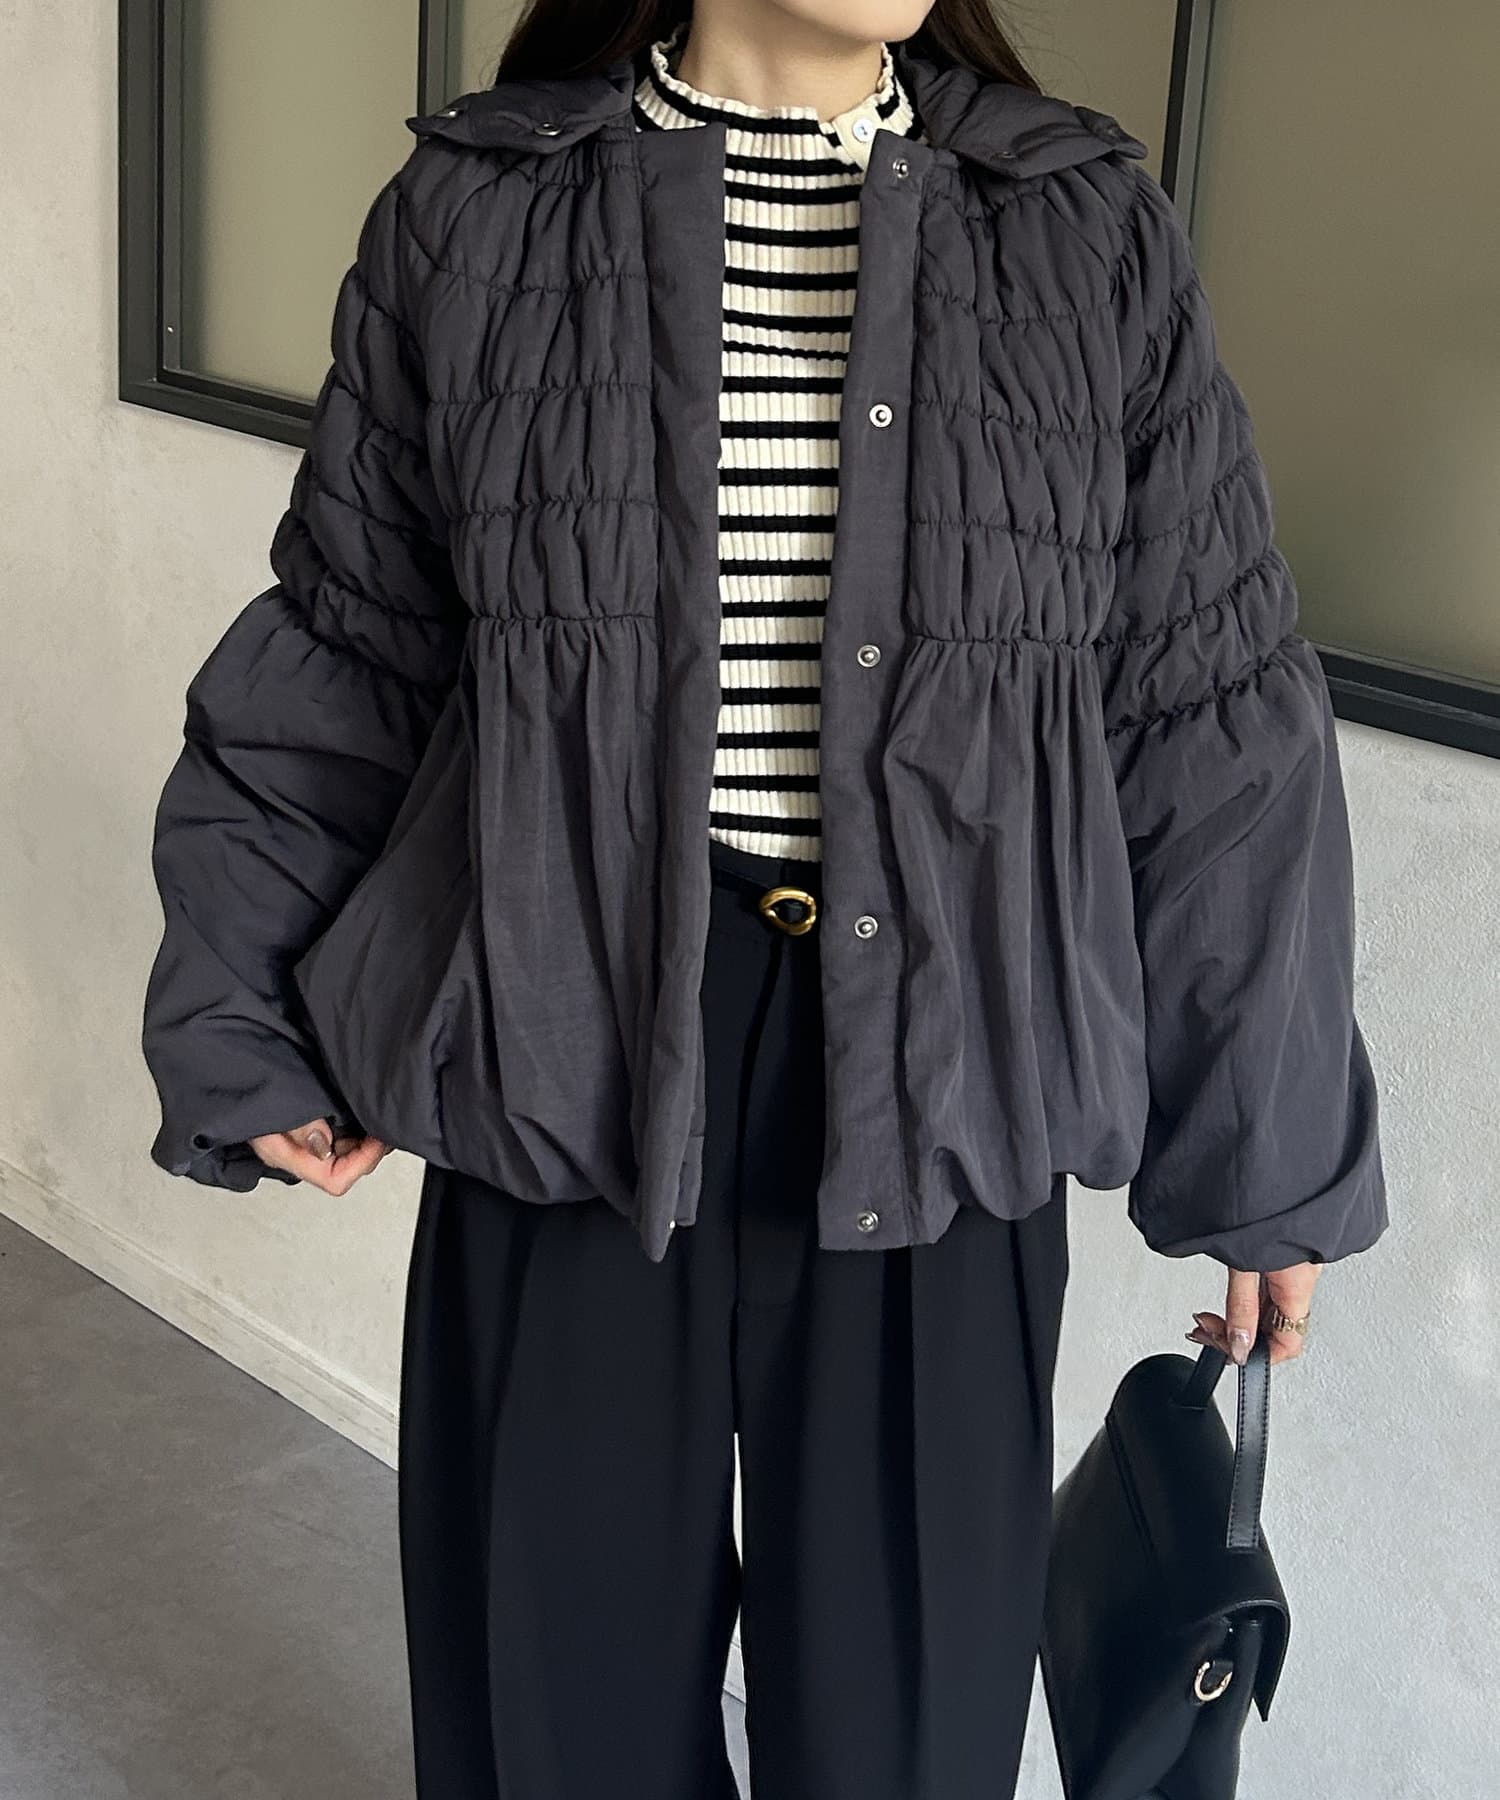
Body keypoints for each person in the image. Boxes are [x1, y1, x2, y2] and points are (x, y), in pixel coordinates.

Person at [140, 2, 1389, 1795]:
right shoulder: (477, 218)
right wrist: (247, 1017)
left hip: (948, 1070)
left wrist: (1266, 1152)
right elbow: (355, 645)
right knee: (553, 1711)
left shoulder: (1082, 232)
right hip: (562, 1042)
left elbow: (1204, 706)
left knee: (907, 1726)